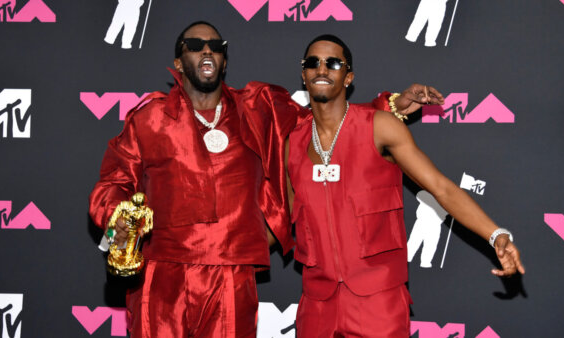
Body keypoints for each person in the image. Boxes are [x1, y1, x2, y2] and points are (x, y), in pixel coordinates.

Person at [89, 21, 441, 336]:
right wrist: (119, 217)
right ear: (179, 63)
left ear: (225, 61)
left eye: (216, 45)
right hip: (162, 277)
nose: (207, 50)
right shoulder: (148, 119)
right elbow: (112, 183)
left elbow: (323, 119)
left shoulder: (258, 109)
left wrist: (386, 108)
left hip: (231, 278)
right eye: (194, 45)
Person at [285, 34, 525, 337]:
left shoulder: (380, 126)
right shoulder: (293, 143)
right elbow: (287, 216)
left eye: (333, 63)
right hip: (317, 304)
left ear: (348, 77)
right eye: (312, 62)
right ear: (303, 73)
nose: (322, 69)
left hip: (377, 302)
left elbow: (441, 188)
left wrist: (496, 235)